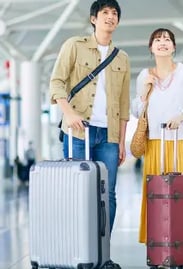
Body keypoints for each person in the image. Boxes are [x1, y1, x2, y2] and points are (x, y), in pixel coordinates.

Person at [49, 0, 130, 235]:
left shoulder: (121, 57)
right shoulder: (74, 45)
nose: (110, 16)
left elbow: (124, 103)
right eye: (105, 12)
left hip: (109, 135)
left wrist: (122, 141)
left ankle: (102, 252)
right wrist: (69, 113)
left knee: (108, 193)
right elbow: (56, 82)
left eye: (114, 13)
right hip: (77, 132)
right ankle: (78, 250)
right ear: (93, 19)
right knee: (77, 189)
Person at [131, 28, 183, 244]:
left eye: (167, 39)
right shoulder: (144, 75)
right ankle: (157, 245)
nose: (163, 42)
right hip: (154, 143)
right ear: (151, 48)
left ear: (174, 47)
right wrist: (145, 91)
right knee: (156, 196)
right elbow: (136, 110)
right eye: (157, 40)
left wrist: (180, 116)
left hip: (181, 141)